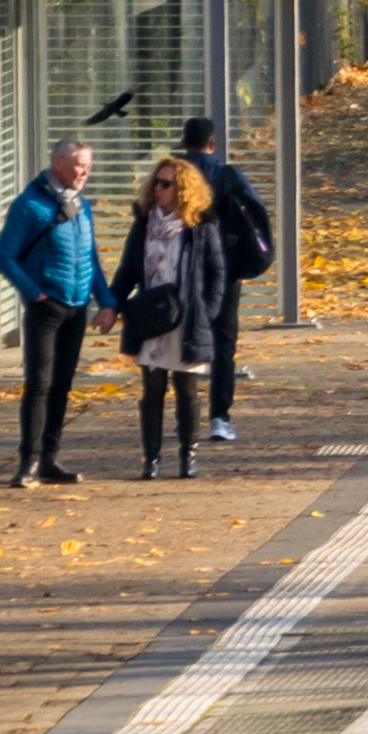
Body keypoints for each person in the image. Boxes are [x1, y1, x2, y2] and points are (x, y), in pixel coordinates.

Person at [109, 155, 234, 478]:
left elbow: (218, 273)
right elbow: (128, 271)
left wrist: (209, 310)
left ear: (183, 190)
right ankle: (151, 458)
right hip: (152, 316)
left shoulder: (201, 227)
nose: (159, 189)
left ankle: (188, 455)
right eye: (157, 182)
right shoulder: (144, 224)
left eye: (167, 184)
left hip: (187, 318)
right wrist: (112, 305)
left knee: (186, 388)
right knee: (152, 390)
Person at [0, 139, 108, 485]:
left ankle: (49, 460)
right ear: (58, 164)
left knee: (62, 385)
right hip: (47, 307)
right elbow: (4, 257)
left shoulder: (82, 205)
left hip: (77, 307)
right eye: (78, 165)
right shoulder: (29, 205)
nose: (85, 172)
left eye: (88, 165)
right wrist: (34, 294)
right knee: (39, 384)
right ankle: (27, 463)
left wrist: (107, 301)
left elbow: (91, 260)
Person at [176, 116, 274, 444]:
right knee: (223, 343)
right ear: (213, 144)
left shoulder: (170, 176)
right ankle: (220, 417)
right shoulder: (228, 175)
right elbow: (256, 212)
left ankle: (184, 417)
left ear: (183, 142)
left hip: (179, 270)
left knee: (183, 340)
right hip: (225, 270)